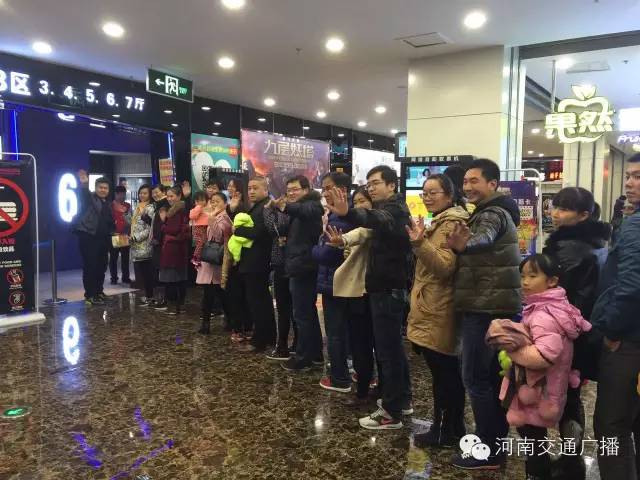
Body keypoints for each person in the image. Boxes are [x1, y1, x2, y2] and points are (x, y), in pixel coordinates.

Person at [446, 158, 521, 469]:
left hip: (485, 307)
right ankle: (495, 443)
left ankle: (487, 450)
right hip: (494, 304)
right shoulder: (494, 210)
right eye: (465, 182)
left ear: (493, 184)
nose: (467, 187)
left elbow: (484, 237)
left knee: (475, 378)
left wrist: (464, 244)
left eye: (474, 181)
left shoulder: (492, 213)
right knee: (490, 379)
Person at [487, 254, 590, 480]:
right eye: (523, 276)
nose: (525, 282)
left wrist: (511, 350)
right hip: (550, 386)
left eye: (533, 276)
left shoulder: (543, 315)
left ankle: (537, 474)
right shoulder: (555, 307)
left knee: (532, 438)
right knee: (535, 437)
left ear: (552, 281)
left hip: (538, 389)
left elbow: (544, 354)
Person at [327, 165, 412, 430]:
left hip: (387, 289)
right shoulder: (389, 209)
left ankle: (391, 412)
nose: (371, 188)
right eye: (369, 183)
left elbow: (375, 219)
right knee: (391, 351)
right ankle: (400, 401)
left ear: (392, 185)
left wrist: (349, 212)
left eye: (376, 183)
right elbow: (368, 228)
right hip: (383, 288)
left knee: (388, 352)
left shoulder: (395, 210)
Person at [542, 187, 611, 479]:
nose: (556, 213)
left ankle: (570, 462)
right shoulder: (595, 243)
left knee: (565, 396)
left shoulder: (570, 249)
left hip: (564, 333)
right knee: (571, 395)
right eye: (555, 206)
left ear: (583, 215)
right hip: (582, 331)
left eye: (564, 209)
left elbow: (561, 296)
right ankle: (572, 457)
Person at [405, 174, 469, 448]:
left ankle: (444, 430)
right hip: (434, 305)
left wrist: (419, 243)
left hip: (439, 307)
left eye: (434, 192)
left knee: (444, 374)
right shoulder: (443, 221)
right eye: (425, 193)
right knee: (446, 373)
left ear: (449, 195)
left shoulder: (452, 223)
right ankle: (452, 427)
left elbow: (444, 267)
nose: (428, 197)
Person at [591, 153, 640, 480]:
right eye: (629, 176)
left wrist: (611, 328)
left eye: (638, 177)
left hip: (628, 340)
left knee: (612, 425)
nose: (629, 183)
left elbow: (631, 285)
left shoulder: (635, 225)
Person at [326, 187, 377, 404]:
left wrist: (344, 240)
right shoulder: (355, 224)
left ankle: (368, 389)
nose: (358, 206)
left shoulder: (376, 225)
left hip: (368, 292)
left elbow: (362, 233)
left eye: (363, 201)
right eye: (355, 202)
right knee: (359, 342)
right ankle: (364, 386)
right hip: (355, 292)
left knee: (367, 343)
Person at [276, 175, 324, 371]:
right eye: (289, 190)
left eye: (295, 189)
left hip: (304, 267)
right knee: (307, 313)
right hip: (299, 265)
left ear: (306, 190)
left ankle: (304, 358)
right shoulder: (300, 209)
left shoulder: (312, 205)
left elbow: (306, 211)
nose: (291, 193)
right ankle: (316, 354)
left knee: (302, 314)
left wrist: (284, 206)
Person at [312, 172, 354, 390]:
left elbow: (327, 254)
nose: (325, 192)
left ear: (342, 190)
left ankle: (339, 377)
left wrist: (315, 248)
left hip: (335, 282)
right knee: (344, 330)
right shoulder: (338, 215)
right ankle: (348, 368)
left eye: (329, 188)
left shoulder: (341, 219)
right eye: (323, 188)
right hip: (341, 282)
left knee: (335, 331)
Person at [229, 176, 276, 353]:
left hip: (258, 261)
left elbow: (260, 232)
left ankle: (260, 340)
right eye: (249, 188)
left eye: (255, 188)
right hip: (253, 261)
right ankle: (268, 336)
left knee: (258, 302)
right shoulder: (257, 206)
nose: (251, 191)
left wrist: (238, 230)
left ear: (265, 189)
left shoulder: (266, 206)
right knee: (260, 301)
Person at [72, 170, 114, 305]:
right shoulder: (90, 199)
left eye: (105, 188)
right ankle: (90, 295)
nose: (103, 190)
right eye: (100, 187)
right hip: (89, 238)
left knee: (102, 267)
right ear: (95, 188)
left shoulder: (107, 203)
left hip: (103, 240)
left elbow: (109, 222)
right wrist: (84, 184)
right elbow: (84, 194)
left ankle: (99, 292)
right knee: (90, 266)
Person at [264, 198, 296, 361]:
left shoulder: (289, 212)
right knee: (290, 308)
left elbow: (275, 228)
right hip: (284, 263)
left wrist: (268, 209)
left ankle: (283, 347)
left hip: (285, 263)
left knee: (286, 308)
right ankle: (295, 345)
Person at [196, 192, 232, 335]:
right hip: (209, 260)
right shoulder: (213, 215)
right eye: (212, 201)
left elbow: (218, 236)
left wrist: (211, 218)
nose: (214, 204)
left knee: (219, 294)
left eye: (217, 201)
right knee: (209, 293)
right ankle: (207, 323)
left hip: (218, 261)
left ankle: (227, 320)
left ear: (225, 203)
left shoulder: (225, 218)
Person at [157, 186, 190, 315]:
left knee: (172, 278)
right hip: (175, 249)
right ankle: (179, 305)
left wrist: (163, 223)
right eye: (168, 196)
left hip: (174, 249)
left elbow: (173, 230)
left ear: (179, 196)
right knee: (178, 278)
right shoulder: (174, 209)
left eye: (172, 196)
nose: (169, 199)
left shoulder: (178, 210)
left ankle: (174, 306)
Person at [130, 184, 156, 305]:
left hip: (145, 244)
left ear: (150, 194)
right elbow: (135, 224)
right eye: (140, 193)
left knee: (147, 273)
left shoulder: (150, 208)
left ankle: (150, 296)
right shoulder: (137, 206)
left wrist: (136, 237)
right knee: (142, 273)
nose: (142, 195)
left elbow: (150, 228)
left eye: (145, 193)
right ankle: (147, 295)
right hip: (136, 245)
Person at [151, 184, 170, 308]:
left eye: (157, 192)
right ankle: (160, 298)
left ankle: (164, 299)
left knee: (162, 271)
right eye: (153, 193)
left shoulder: (164, 205)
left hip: (162, 243)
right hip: (158, 242)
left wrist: (157, 238)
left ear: (164, 192)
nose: (155, 195)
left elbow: (163, 224)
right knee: (159, 271)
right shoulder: (158, 205)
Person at [109, 185, 132, 284]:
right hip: (114, 234)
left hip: (124, 234)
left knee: (125, 258)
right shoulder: (111, 206)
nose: (122, 196)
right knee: (113, 258)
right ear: (116, 194)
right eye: (121, 194)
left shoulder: (127, 205)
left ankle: (125, 277)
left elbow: (130, 219)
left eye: (124, 194)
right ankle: (114, 278)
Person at [189, 191, 210, 265]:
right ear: (194, 202)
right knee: (200, 242)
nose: (200, 202)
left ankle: (199, 258)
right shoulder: (196, 209)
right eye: (197, 201)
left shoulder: (207, 208)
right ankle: (195, 257)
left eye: (202, 200)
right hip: (198, 227)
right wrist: (198, 207)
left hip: (205, 228)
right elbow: (192, 216)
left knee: (204, 242)